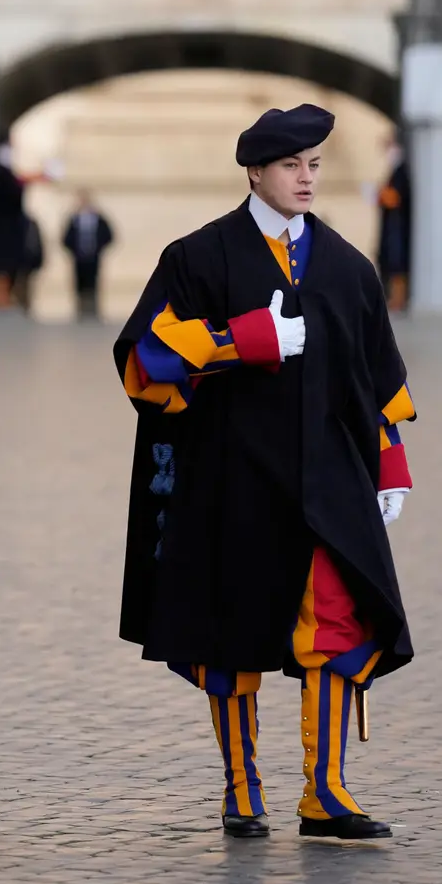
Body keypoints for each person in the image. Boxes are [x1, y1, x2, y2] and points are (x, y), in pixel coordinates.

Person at [113, 103, 417, 841]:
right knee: (229, 631)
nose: (307, 178)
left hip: (329, 482)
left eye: (314, 165)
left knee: (338, 625)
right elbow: (141, 364)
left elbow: (374, 382)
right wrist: (240, 338)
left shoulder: (348, 267)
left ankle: (326, 791)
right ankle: (242, 788)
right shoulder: (199, 257)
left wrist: (391, 468)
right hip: (231, 479)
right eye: (291, 166)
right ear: (255, 171)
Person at [0, 143, 29, 308]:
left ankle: (3, 298)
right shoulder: (1, 174)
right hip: (3, 231)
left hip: (8, 230)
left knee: (8, 266)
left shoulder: (3, 174)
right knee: (2, 267)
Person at [62, 190, 115, 320]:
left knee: (93, 281)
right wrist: (74, 250)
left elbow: (109, 236)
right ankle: (81, 308)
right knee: (79, 282)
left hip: (94, 257)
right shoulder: (74, 219)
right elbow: (66, 239)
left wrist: (99, 248)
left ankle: (93, 308)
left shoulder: (99, 219)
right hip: (79, 258)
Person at [376, 134, 412, 311]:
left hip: (398, 225)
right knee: (389, 260)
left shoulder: (401, 171)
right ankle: (393, 297)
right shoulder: (394, 171)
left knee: (398, 262)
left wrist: (384, 195)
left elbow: (397, 197)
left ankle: (399, 299)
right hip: (391, 224)